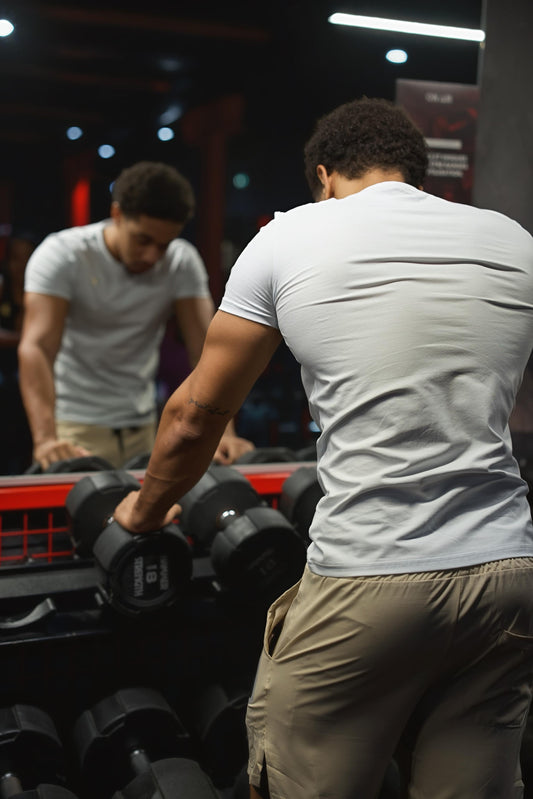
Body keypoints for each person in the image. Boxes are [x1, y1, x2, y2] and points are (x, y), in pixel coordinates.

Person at [112, 98, 533, 798]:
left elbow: (195, 413)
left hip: (371, 574)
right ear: (415, 175)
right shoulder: (512, 238)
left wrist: (144, 512)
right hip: (508, 576)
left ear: (324, 175)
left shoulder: (289, 234)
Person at [18, 161, 253, 470]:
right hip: (74, 428)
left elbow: (207, 349)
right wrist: (46, 439)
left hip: (144, 427)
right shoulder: (63, 254)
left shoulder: (181, 261)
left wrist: (222, 431)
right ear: (116, 215)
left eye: (164, 245)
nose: (153, 256)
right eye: (143, 240)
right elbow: (36, 347)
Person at [0, 233, 37, 473]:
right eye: (15, 259)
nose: (20, 265)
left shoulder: (41, 290)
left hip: (32, 373)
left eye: (26, 258)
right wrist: (30, 341)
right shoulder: (1, 287)